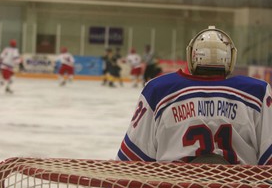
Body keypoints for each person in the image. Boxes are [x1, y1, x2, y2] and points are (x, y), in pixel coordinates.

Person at [115, 26, 272, 165]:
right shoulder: (257, 93)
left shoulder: (158, 90)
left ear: (192, 56)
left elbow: (132, 160)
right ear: (230, 58)